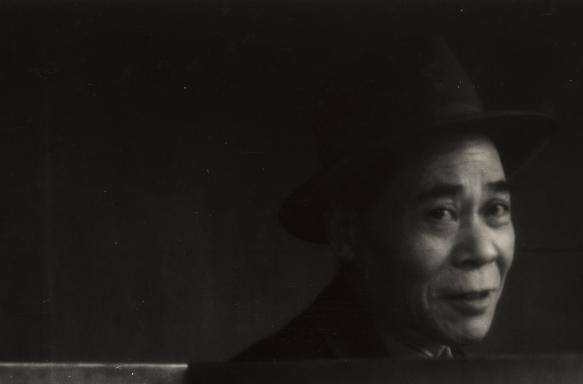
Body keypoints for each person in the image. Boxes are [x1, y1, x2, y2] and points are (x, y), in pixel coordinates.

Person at [237, 36, 553, 361]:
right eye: (441, 213)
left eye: (496, 209)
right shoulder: (278, 382)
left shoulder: (461, 375)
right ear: (347, 235)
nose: (483, 251)